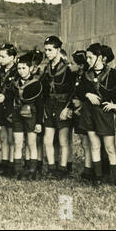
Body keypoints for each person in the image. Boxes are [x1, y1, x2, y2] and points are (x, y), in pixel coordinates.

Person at [78, 43, 116, 184]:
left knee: (110, 147)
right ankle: (98, 177)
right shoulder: (87, 74)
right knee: (94, 145)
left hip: (104, 114)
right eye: (87, 58)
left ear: (101, 58)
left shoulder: (114, 74)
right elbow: (78, 91)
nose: (88, 61)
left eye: (91, 58)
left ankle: (115, 178)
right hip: (89, 113)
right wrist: (87, 94)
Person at [41, 36, 76, 178]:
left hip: (63, 106)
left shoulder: (68, 69)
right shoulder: (46, 69)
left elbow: (74, 91)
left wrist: (68, 108)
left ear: (58, 50)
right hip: (49, 105)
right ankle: (51, 168)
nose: (47, 53)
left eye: (50, 50)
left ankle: (62, 169)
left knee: (63, 140)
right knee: (47, 139)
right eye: (45, 50)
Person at [11, 52, 44, 180]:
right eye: (19, 68)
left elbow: (40, 105)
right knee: (18, 142)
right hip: (17, 114)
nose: (21, 71)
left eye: (24, 68)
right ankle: (18, 170)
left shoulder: (36, 84)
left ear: (30, 68)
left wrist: (39, 122)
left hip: (32, 115)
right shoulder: (15, 83)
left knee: (31, 143)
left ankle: (32, 170)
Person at [68, 50, 94, 182]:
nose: (69, 65)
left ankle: (89, 170)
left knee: (87, 142)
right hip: (78, 112)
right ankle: (88, 168)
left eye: (72, 63)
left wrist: (81, 104)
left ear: (81, 65)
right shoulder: (75, 77)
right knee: (84, 141)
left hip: (85, 113)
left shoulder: (87, 77)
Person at [0, 43, 18, 177]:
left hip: (12, 107)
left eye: (3, 56)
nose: (1, 59)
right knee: (3, 137)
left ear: (12, 58)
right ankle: (4, 164)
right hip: (0, 108)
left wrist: (7, 96)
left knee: (11, 138)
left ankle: (12, 164)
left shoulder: (17, 71)